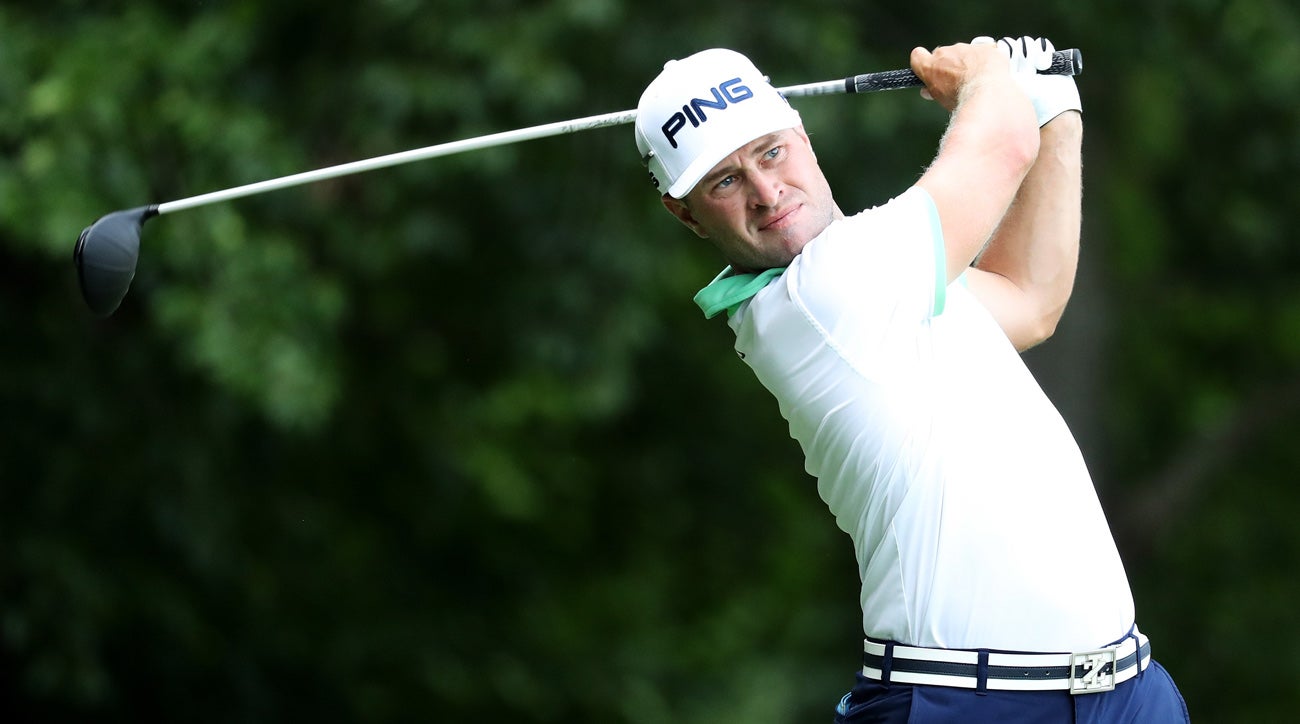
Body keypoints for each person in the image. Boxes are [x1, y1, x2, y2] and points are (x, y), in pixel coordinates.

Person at [634, 37, 1190, 722]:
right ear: (685, 213)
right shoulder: (824, 292)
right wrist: (985, 75)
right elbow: (1002, 144)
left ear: (802, 135)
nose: (766, 192)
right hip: (965, 701)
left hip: (1127, 688)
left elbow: (1029, 299)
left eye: (770, 152)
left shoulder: (891, 279)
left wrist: (1053, 111)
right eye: (724, 181)